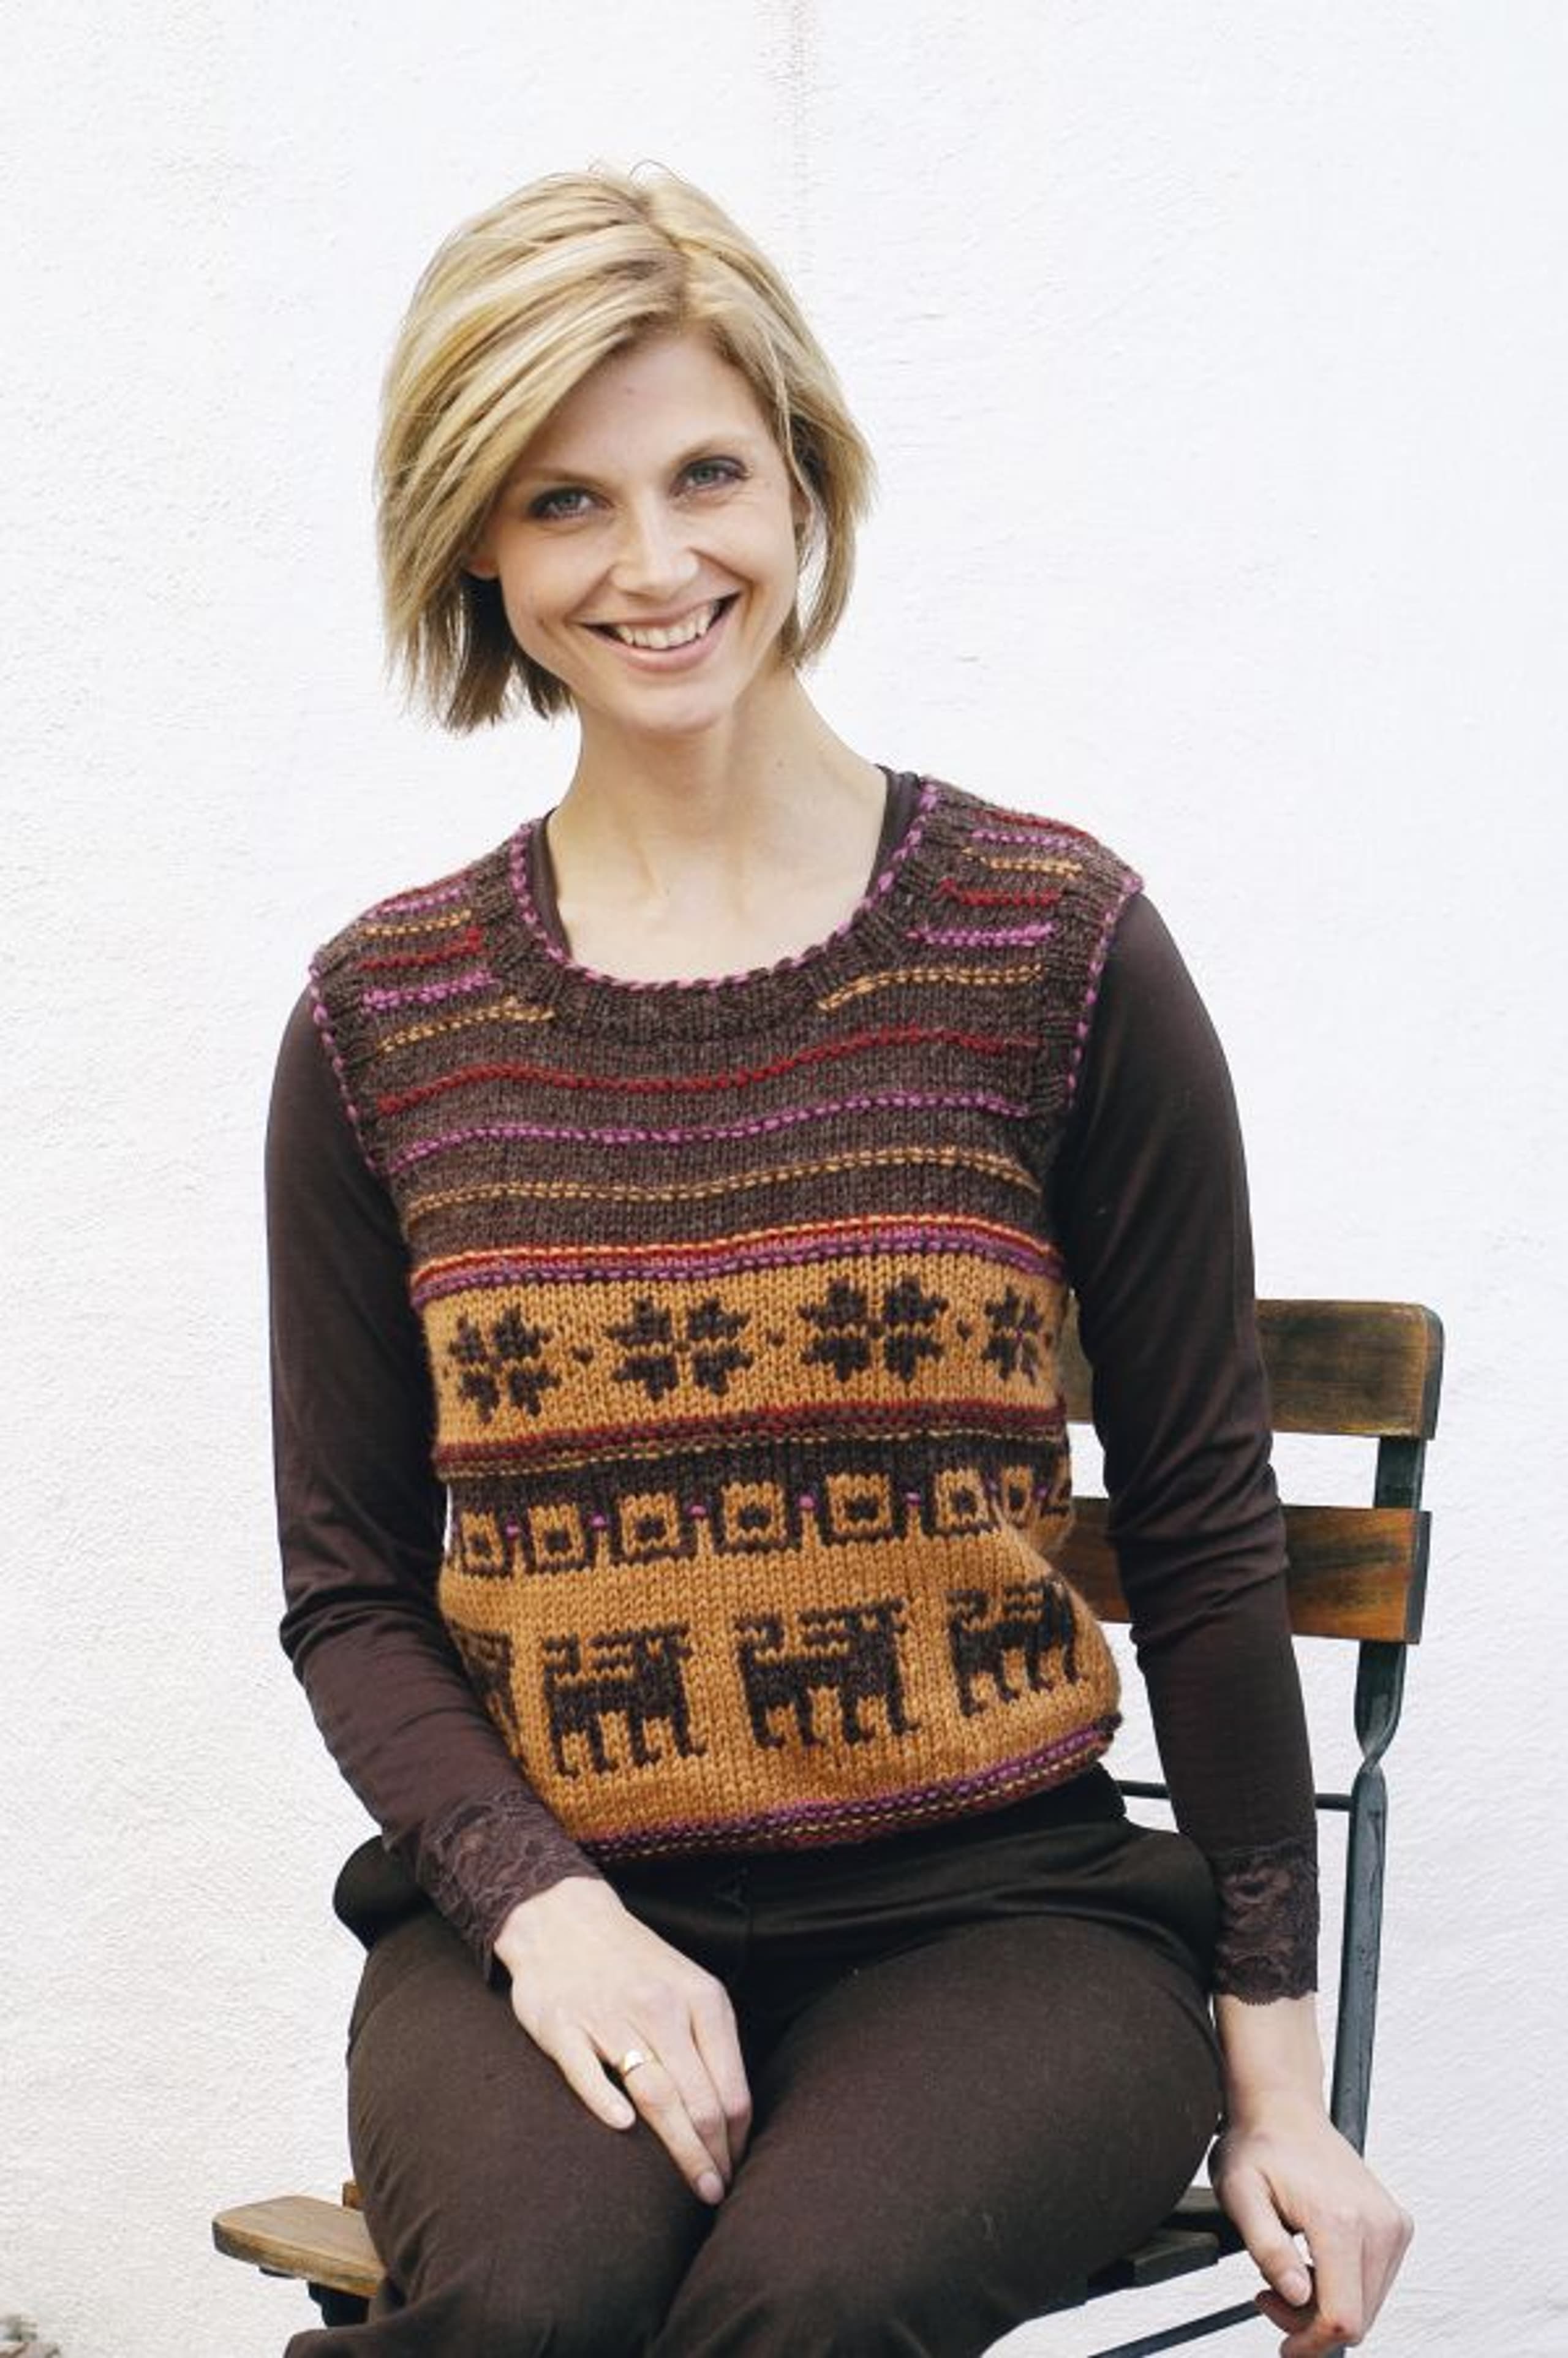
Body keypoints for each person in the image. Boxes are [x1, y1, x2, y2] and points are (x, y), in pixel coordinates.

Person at [267, 166, 1411, 2358]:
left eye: (707, 474)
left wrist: (1280, 2081)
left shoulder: (1052, 947)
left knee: (801, 2309)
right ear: (479, 545)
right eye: (566, 500)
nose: (654, 562)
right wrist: (544, 1906)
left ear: (803, 482)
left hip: (1011, 1921)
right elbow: (350, 1589)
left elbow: (1201, 1526)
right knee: (533, 2304)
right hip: (552, 1920)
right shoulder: (380, 1023)